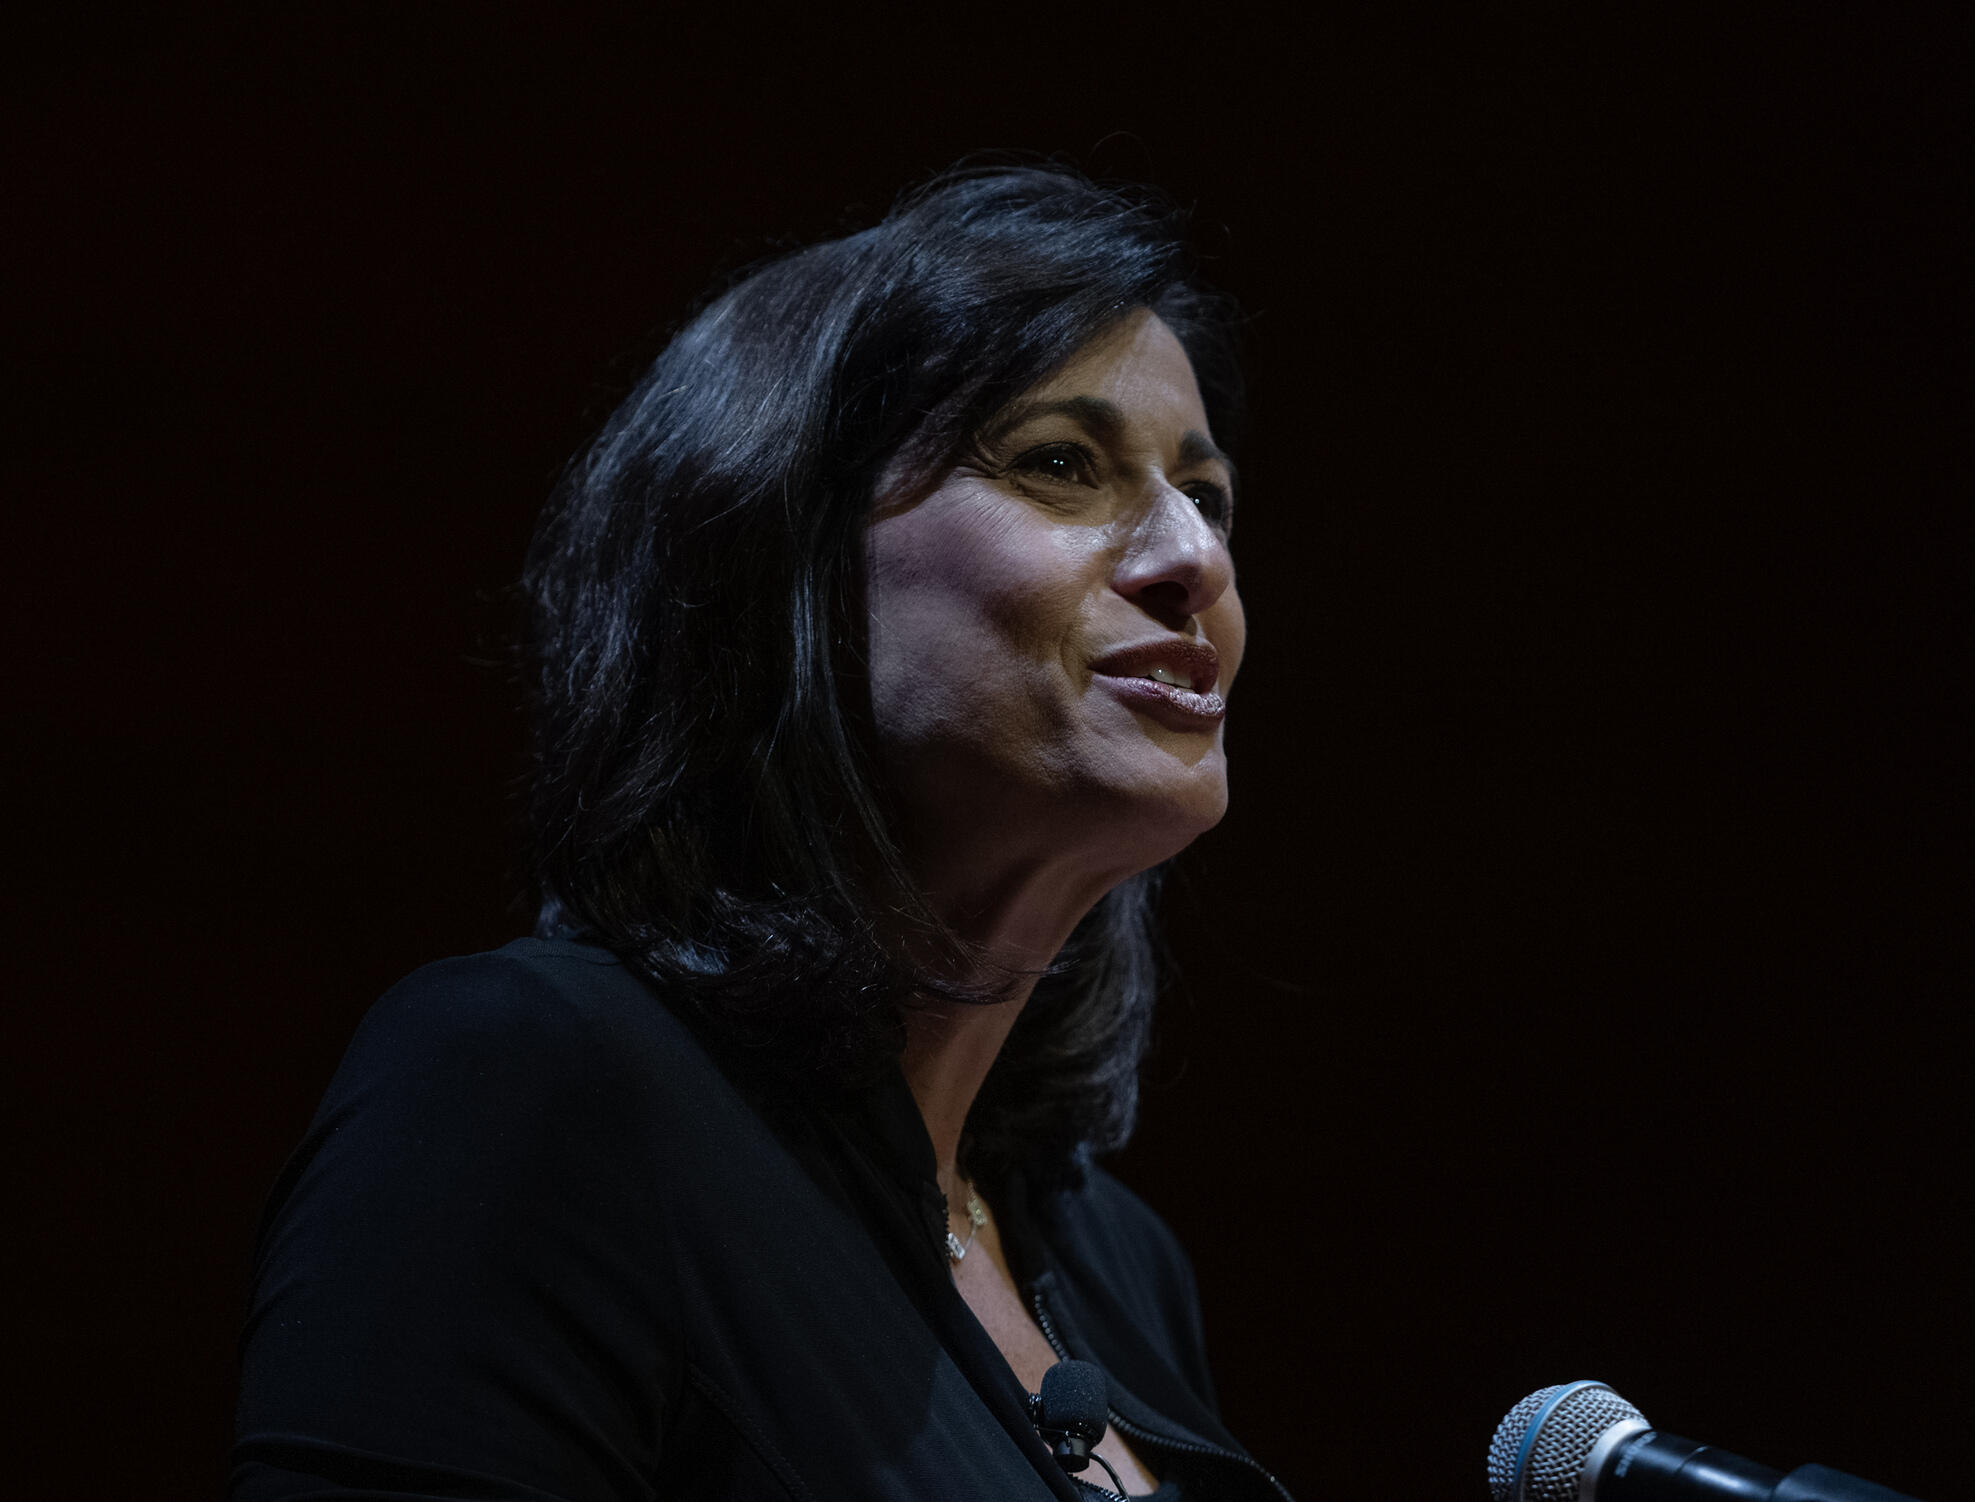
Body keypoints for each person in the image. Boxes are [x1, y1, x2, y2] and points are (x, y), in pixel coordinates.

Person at [231, 165, 1287, 1502]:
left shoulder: (1112, 1254)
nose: (1193, 556)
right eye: (1062, 464)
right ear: (779, 562)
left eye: (1211, 497)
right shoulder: (532, 1087)